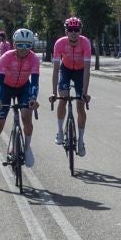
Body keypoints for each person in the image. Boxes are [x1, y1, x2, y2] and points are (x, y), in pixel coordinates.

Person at [0, 27, 40, 176]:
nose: (24, 49)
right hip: (6, 87)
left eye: (28, 45)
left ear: (31, 45)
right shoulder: (6, 56)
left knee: (26, 117)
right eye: (20, 45)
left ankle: (27, 147)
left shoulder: (34, 59)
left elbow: (35, 82)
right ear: (14, 44)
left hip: (23, 88)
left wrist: (32, 98)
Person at [51, 16, 94, 155]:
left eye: (76, 29)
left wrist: (85, 92)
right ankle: (59, 131)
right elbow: (56, 69)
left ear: (80, 30)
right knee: (63, 98)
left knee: (80, 105)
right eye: (70, 29)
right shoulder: (59, 43)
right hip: (66, 69)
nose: (73, 32)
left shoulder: (85, 43)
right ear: (66, 31)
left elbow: (87, 70)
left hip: (80, 71)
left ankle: (81, 140)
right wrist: (54, 92)